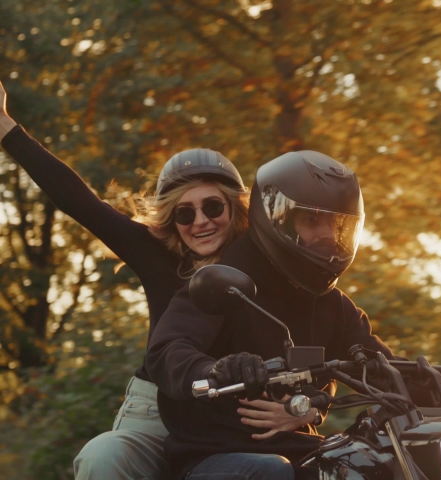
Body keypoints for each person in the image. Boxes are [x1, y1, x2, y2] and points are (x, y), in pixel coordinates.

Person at [0, 80, 310, 479]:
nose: (200, 221)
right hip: (154, 411)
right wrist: (7, 128)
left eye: (213, 207)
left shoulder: (269, 265)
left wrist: (308, 408)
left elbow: (318, 337)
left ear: (236, 208)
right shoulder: (156, 254)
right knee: (102, 457)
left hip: (234, 419)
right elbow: (80, 202)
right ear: (172, 220)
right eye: (185, 213)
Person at [147, 150, 398, 479]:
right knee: (270, 470)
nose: (327, 234)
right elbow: (167, 350)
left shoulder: (335, 306)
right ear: (280, 220)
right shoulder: (224, 283)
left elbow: (388, 370)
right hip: (217, 455)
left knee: (370, 464)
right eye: (312, 220)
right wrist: (216, 369)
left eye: (337, 223)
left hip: (301, 452)